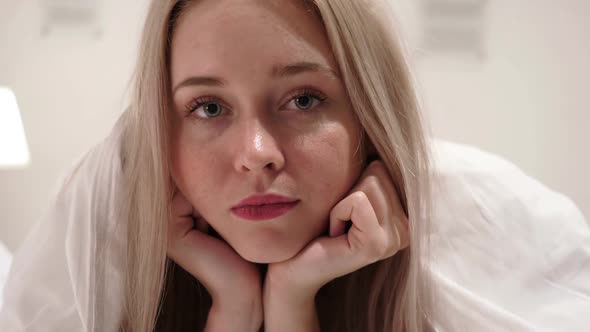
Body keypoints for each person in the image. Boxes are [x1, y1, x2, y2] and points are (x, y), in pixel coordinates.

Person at [1, 0, 589, 331]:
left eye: (303, 99)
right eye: (207, 107)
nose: (257, 153)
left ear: (367, 115)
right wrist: (234, 307)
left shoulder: (486, 215)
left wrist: (291, 301)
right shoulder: (103, 220)